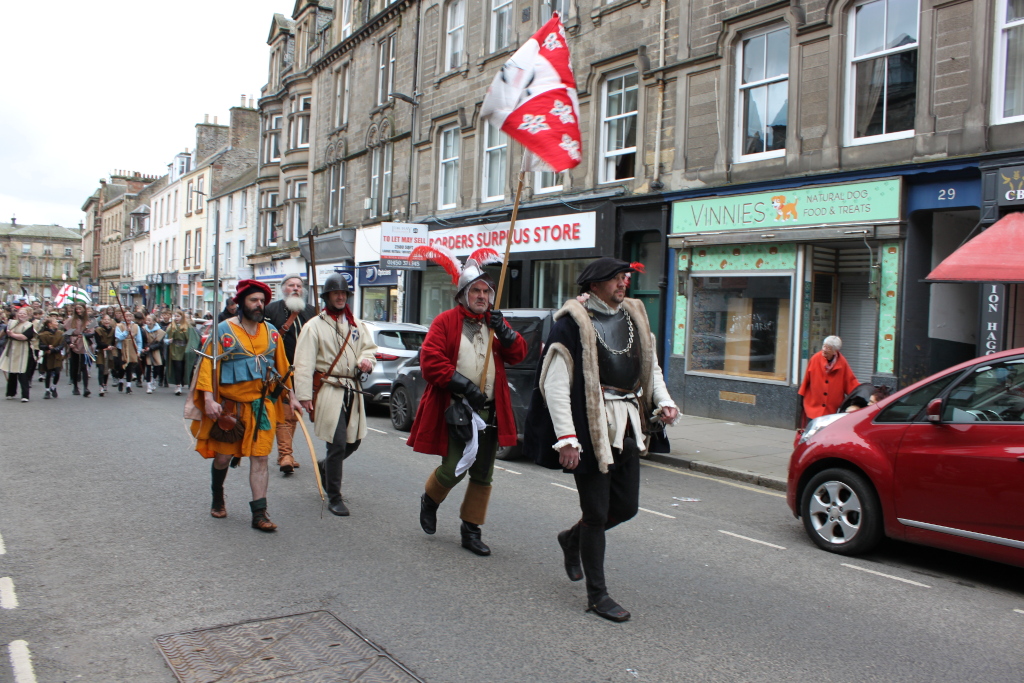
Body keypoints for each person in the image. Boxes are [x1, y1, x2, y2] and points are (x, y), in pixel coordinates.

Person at [524, 257, 679, 622]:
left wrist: (665, 401)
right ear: (594, 285)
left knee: (625, 508)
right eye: (614, 279)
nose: (622, 283)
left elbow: (650, 368)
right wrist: (566, 438)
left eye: (623, 278)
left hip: (628, 424)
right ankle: (597, 595)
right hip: (591, 425)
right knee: (596, 514)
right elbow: (555, 385)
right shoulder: (570, 325)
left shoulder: (635, 316)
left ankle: (571, 539)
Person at [408, 259, 527, 555]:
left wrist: (507, 334)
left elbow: (518, 354)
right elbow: (431, 362)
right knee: (453, 469)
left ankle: (471, 530)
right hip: (457, 410)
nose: (483, 297)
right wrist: (465, 386)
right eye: (476, 290)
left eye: (487, 291)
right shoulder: (445, 322)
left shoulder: (495, 323)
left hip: (490, 412)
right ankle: (430, 500)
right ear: (463, 293)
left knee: (484, 474)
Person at [189, 280, 300, 531]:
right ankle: (218, 495)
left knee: (260, 459)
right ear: (241, 302)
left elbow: (283, 369)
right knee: (223, 457)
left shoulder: (272, 333)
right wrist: (208, 399)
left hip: (262, 408)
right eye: (253, 300)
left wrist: (291, 396)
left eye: (262, 301)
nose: (259, 305)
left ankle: (259, 514)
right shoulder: (222, 331)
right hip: (230, 409)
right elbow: (206, 368)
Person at [293, 274, 377, 515]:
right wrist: (304, 396)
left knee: (354, 441)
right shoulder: (313, 326)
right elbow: (304, 362)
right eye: (335, 293)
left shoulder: (356, 325)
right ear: (327, 296)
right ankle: (334, 496)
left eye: (344, 293)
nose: (340, 297)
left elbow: (368, 350)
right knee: (338, 442)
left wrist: (365, 361)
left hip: (352, 389)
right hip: (329, 389)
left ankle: (326, 467)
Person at [264, 274, 318, 474]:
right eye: (291, 285)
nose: (295, 288)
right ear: (283, 288)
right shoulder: (271, 310)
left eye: (299, 285)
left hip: (304, 371)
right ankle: (286, 454)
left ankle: (283, 454)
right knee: (286, 412)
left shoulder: (312, 312)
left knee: (293, 414)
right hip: (280, 370)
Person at [798, 335, 860, 424]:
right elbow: (806, 381)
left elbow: (851, 382)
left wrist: (861, 395)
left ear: (835, 351)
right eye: (824, 346)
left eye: (828, 348)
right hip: (813, 408)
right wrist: (802, 396)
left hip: (831, 411)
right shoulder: (815, 359)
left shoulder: (842, 363)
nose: (824, 349)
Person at [1, 306, 38, 401]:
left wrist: (12, 335)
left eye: (24, 314)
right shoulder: (11, 323)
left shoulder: (29, 325)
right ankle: (10, 393)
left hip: (24, 350)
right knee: (12, 371)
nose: (21, 315)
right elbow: (4, 332)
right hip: (12, 349)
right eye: (20, 313)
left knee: (23, 373)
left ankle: (25, 395)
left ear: (28, 316)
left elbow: (24, 337)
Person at [166, 311, 200, 395]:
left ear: (182, 317)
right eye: (175, 316)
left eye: (178, 316)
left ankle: (184, 382)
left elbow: (193, 339)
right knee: (178, 367)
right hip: (175, 350)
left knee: (184, 367)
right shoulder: (171, 326)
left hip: (185, 349)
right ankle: (178, 386)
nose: (176, 318)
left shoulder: (188, 327)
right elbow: (165, 338)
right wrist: (168, 341)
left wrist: (190, 349)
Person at [64, 303, 93, 397]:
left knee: (84, 367)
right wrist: (69, 343)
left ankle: (86, 388)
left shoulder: (88, 320)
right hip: (74, 343)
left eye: (80, 309)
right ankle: (75, 387)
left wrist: (84, 335)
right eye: (77, 309)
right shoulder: (71, 320)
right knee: (75, 366)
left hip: (84, 343)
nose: (78, 311)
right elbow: (67, 333)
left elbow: (92, 333)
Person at [115, 312, 143, 394]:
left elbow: (139, 340)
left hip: (132, 348)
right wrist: (126, 332)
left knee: (129, 367)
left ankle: (128, 385)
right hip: (122, 348)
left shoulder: (136, 326)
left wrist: (139, 351)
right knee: (122, 366)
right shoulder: (119, 326)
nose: (128, 317)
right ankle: (120, 380)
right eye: (126, 316)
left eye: (130, 316)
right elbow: (119, 337)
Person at [37, 317, 65, 399]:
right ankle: (47, 390)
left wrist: (54, 350)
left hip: (56, 355)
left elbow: (61, 345)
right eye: (55, 322)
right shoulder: (43, 334)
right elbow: (40, 345)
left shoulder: (60, 333)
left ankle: (54, 386)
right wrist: (47, 347)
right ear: (50, 324)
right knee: (48, 373)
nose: (57, 323)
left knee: (57, 372)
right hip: (48, 356)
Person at [92, 314, 117, 396]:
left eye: (108, 319)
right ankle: (101, 386)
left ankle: (105, 384)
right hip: (101, 351)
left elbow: (113, 341)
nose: (106, 321)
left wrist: (113, 346)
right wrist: (107, 346)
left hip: (109, 351)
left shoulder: (113, 330)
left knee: (107, 369)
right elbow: (98, 343)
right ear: (102, 321)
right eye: (105, 319)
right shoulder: (98, 330)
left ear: (110, 321)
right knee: (101, 368)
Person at [140, 314, 165, 394]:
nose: (148, 322)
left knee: (157, 367)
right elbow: (142, 340)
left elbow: (160, 344)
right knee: (148, 367)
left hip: (155, 350)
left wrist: (151, 347)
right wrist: (144, 348)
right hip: (146, 351)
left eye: (150, 320)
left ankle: (154, 379)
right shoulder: (143, 330)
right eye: (147, 320)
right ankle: (148, 385)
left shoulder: (160, 331)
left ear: (154, 321)